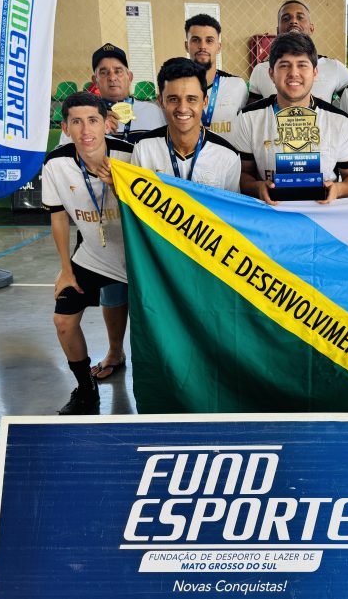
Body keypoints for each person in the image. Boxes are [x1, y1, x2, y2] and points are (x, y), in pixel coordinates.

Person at [60, 43, 164, 381]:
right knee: (112, 289)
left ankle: (160, 357)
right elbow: (65, 163)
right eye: (104, 72)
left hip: (144, 216)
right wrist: (97, 130)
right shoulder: (85, 117)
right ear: (95, 80)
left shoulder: (152, 112)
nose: (112, 77)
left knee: (153, 289)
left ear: (130, 76)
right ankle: (115, 350)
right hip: (102, 217)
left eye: (118, 71)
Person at [42, 92, 133, 415]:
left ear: (107, 124)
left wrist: (118, 189)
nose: (85, 130)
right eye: (76, 122)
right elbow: (58, 218)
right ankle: (85, 389)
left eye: (93, 120)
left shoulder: (131, 155)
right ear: (65, 128)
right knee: (63, 321)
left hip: (137, 257)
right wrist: (66, 269)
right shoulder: (56, 164)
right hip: (93, 254)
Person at [234, 32, 348, 205]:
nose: (293, 73)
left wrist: (338, 189)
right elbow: (243, 174)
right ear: (271, 74)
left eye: (302, 65)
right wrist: (257, 187)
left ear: (315, 73)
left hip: (321, 213)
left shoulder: (339, 121)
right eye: (284, 65)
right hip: (271, 212)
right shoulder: (248, 118)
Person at [131, 58, 241, 192]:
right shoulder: (143, 148)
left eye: (191, 99)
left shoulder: (228, 156)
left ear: (204, 102)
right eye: (173, 99)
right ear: (161, 101)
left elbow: (230, 205)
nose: (182, 108)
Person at [247, 0, 348, 103]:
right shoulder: (260, 70)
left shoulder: (334, 67)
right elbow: (253, 111)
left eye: (300, 17)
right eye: (286, 18)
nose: (293, 21)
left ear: (311, 29)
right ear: (278, 30)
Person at [184, 13, 248, 143]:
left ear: (219, 47)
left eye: (209, 40)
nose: (202, 46)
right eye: (196, 40)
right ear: (186, 45)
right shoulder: (177, 88)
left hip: (228, 155)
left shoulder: (237, 85)